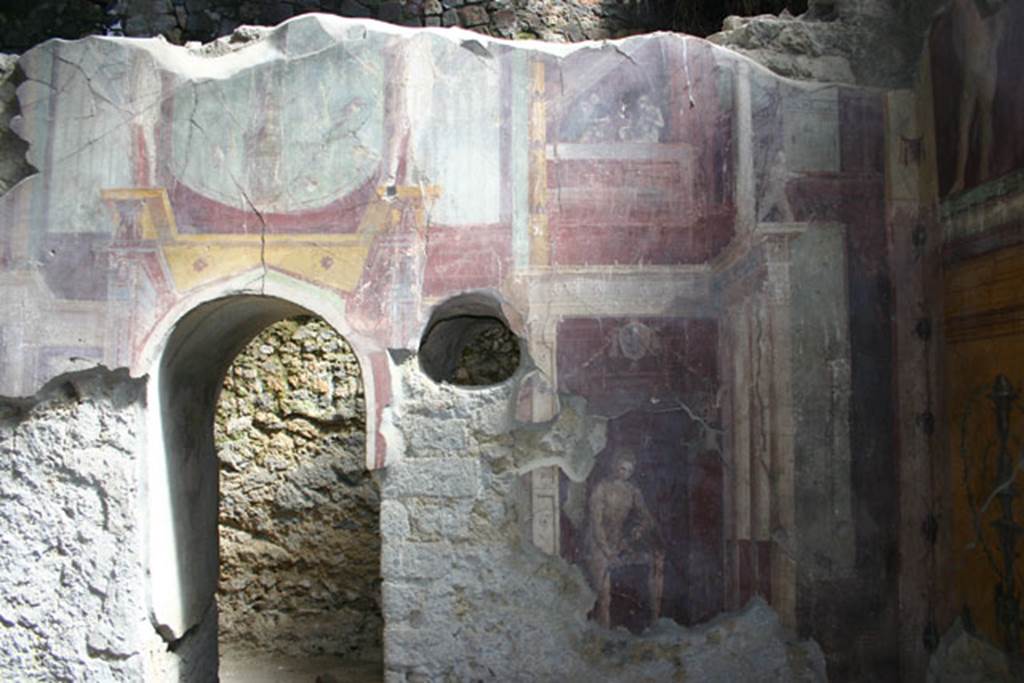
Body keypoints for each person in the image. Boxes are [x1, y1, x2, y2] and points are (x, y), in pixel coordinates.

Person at [586, 449, 665, 628]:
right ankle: (603, 632)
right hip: (598, 542)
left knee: (656, 561)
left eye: (629, 470)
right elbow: (596, 524)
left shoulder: (632, 490)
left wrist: (639, 528)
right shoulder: (601, 488)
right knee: (604, 595)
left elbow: (646, 516)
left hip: (619, 540)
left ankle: (655, 622)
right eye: (622, 468)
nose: (625, 473)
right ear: (614, 466)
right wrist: (607, 551)